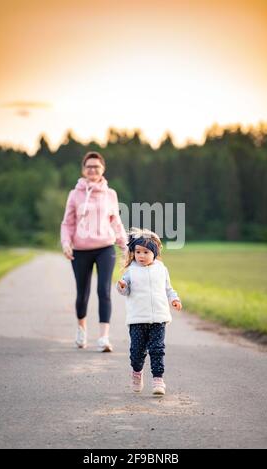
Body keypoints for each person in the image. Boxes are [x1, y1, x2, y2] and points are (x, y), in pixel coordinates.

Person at [60, 151, 127, 352]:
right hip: (80, 250)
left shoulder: (111, 194)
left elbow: (115, 221)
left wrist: (124, 245)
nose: (92, 169)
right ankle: (81, 331)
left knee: (104, 290)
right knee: (83, 293)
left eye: (96, 166)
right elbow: (67, 223)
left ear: (102, 169)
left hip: (105, 247)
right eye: (88, 166)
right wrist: (66, 243)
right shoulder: (74, 194)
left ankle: (104, 338)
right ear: (83, 170)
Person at [116, 227, 182, 395]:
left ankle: (158, 380)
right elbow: (125, 290)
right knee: (137, 353)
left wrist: (174, 299)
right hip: (137, 320)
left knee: (157, 349)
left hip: (159, 318)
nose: (141, 256)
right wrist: (122, 286)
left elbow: (169, 289)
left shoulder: (162, 269)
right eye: (138, 252)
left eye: (146, 252)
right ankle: (137, 372)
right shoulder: (131, 271)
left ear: (154, 252)